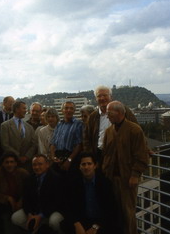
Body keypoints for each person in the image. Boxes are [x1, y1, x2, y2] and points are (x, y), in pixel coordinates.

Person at [102, 101, 149, 234]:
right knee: (114, 212)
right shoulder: (109, 131)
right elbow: (106, 153)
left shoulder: (134, 130)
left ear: (120, 113)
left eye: (109, 113)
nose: (107, 116)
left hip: (127, 179)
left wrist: (135, 175)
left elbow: (141, 155)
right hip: (111, 178)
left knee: (128, 214)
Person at [60, 152, 122, 234]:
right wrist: (77, 224)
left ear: (95, 166)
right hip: (82, 220)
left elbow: (111, 210)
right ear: (79, 167)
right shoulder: (74, 183)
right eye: (83, 164)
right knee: (65, 225)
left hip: (101, 222)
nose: (86, 167)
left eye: (89, 164)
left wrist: (95, 227)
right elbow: (69, 207)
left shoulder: (105, 183)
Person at [83, 85, 137, 164]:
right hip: (99, 155)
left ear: (110, 97)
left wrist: (145, 148)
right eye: (99, 96)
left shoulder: (122, 110)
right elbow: (86, 137)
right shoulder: (93, 116)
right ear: (96, 99)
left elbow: (136, 129)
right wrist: (90, 155)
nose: (102, 98)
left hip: (119, 156)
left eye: (105, 95)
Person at [11, 154, 64, 233]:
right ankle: (39, 228)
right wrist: (29, 214)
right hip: (34, 211)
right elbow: (26, 200)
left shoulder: (56, 179)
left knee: (54, 222)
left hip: (51, 211)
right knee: (15, 218)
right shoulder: (29, 179)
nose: (37, 167)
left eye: (40, 164)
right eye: (34, 165)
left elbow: (57, 202)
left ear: (47, 165)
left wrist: (41, 216)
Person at [0, 152, 30, 234]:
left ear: (16, 163)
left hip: (21, 200)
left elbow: (29, 191)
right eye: (6, 162)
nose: (9, 164)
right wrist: (8, 198)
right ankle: (0, 230)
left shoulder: (23, 173)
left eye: (11, 162)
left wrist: (21, 201)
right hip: (4, 201)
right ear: (2, 164)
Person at [0, 101, 36, 171]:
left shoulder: (29, 127)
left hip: (27, 164)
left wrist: (26, 157)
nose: (26, 111)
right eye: (24, 108)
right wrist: (18, 156)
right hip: (12, 164)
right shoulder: (5, 126)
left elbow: (34, 144)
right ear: (17, 109)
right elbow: (5, 144)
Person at [50, 101, 83, 172]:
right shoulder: (59, 125)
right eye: (66, 108)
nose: (69, 110)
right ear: (62, 110)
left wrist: (69, 160)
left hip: (71, 158)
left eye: (71, 108)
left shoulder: (78, 124)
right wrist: (53, 157)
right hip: (57, 157)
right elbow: (53, 143)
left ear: (74, 111)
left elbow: (78, 145)